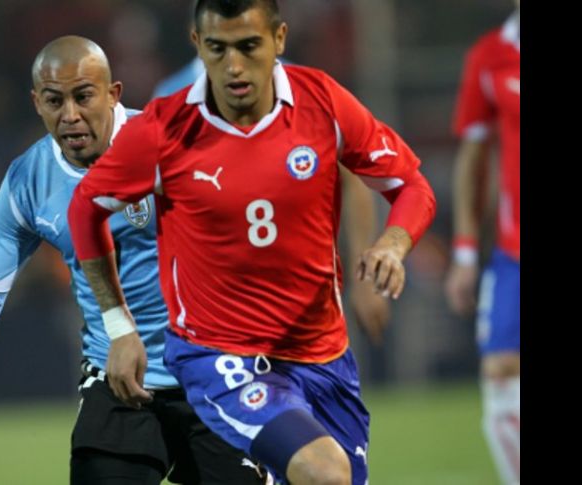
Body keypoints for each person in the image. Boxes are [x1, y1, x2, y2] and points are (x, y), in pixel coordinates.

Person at [68, 1, 436, 483]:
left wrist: (393, 243)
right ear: (198, 45)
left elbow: (410, 185)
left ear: (279, 39)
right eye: (218, 49)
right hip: (219, 356)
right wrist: (119, 325)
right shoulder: (163, 128)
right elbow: (86, 209)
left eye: (248, 46)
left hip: (323, 354)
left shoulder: (322, 101)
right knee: (324, 473)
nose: (234, 66)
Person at [0, 35, 269, 485]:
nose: (70, 115)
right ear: (35, 103)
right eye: (54, 100)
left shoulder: (172, 148)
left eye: (83, 97)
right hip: (117, 381)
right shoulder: (30, 181)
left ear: (113, 94)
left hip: (217, 374)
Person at [153, 55, 390, 345]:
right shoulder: (170, 96)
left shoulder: (310, 89)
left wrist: (363, 276)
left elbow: (353, 178)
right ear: (199, 38)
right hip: (216, 304)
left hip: (305, 299)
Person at [444, 2, 520, 483]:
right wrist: (466, 251)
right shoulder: (491, 57)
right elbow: (473, 157)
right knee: (499, 374)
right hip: (513, 253)